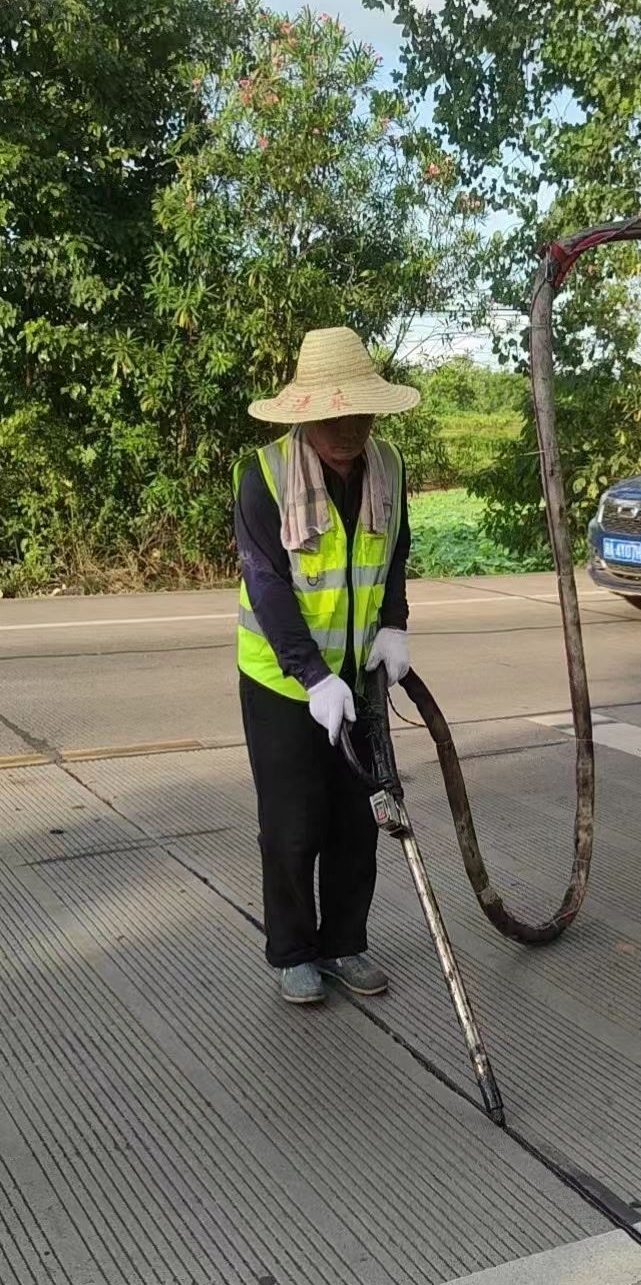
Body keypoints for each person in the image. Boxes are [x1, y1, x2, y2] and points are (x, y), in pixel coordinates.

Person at [234, 326, 417, 1005]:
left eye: (360, 415)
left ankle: (345, 942)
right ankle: (291, 951)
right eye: (334, 417)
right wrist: (312, 677)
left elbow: (394, 552)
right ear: (305, 413)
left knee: (357, 818)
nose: (348, 431)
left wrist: (394, 626)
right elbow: (267, 583)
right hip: (280, 682)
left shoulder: (389, 467)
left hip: (360, 673)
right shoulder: (263, 475)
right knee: (292, 824)